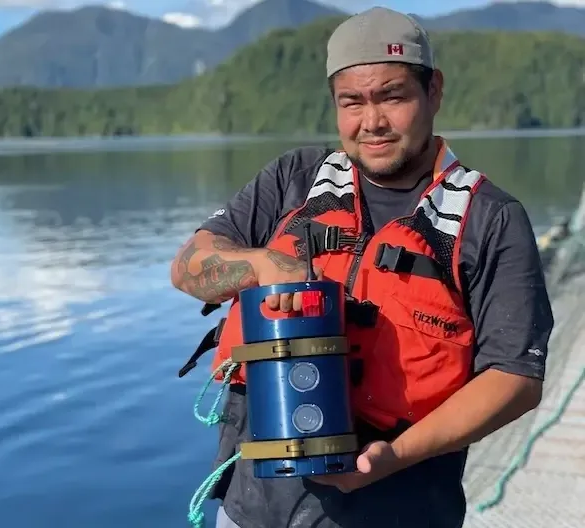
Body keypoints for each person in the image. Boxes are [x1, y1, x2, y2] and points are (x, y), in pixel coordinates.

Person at [170, 6, 554, 528]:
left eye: (392, 97)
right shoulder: (294, 180)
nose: (371, 122)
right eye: (352, 102)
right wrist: (259, 264)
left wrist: (392, 457)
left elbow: (516, 378)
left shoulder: (490, 219)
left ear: (433, 92)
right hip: (253, 511)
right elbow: (188, 267)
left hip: (400, 506)